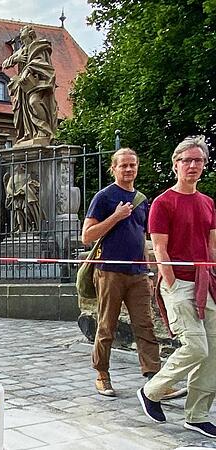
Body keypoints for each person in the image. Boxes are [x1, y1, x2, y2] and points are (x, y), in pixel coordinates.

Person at [137, 136, 216, 437]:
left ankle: (196, 415)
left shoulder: (208, 203)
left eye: (198, 160)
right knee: (196, 346)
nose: (193, 165)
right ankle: (151, 391)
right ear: (175, 165)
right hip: (179, 284)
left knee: (213, 353)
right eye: (187, 160)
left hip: (206, 284)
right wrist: (170, 284)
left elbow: (211, 249)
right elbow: (160, 249)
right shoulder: (162, 203)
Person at [81, 148, 162, 397]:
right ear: (114, 168)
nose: (128, 169)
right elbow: (87, 236)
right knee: (107, 325)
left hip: (137, 272)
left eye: (132, 165)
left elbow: (143, 237)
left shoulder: (142, 199)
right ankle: (102, 374)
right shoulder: (104, 197)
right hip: (109, 271)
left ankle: (155, 379)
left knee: (146, 326)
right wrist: (115, 217)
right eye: (123, 165)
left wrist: (149, 271)